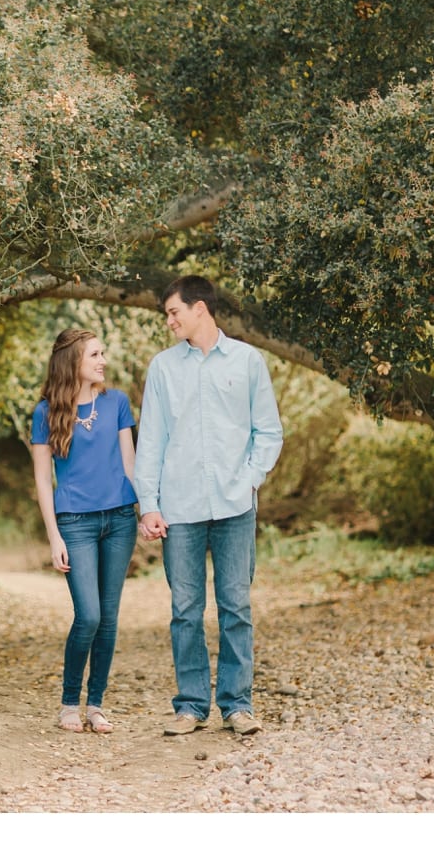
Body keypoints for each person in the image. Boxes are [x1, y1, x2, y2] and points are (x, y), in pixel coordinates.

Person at [134, 276, 284, 736]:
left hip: (236, 506)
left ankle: (237, 705)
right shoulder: (162, 368)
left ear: (200, 308)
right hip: (179, 507)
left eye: (174, 312)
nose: (170, 321)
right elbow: (152, 441)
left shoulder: (247, 361)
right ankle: (191, 706)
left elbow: (269, 432)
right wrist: (149, 504)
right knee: (185, 609)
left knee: (236, 605)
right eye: (167, 315)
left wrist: (251, 479)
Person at [30, 328, 139, 734]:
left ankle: (96, 704)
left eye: (103, 353)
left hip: (120, 520)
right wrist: (54, 536)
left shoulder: (117, 403)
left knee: (108, 618)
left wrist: (147, 509)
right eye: (95, 354)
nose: (102, 360)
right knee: (88, 615)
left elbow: (130, 464)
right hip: (75, 522)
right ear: (73, 360)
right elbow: (43, 480)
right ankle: (68, 704)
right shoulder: (45, 412)